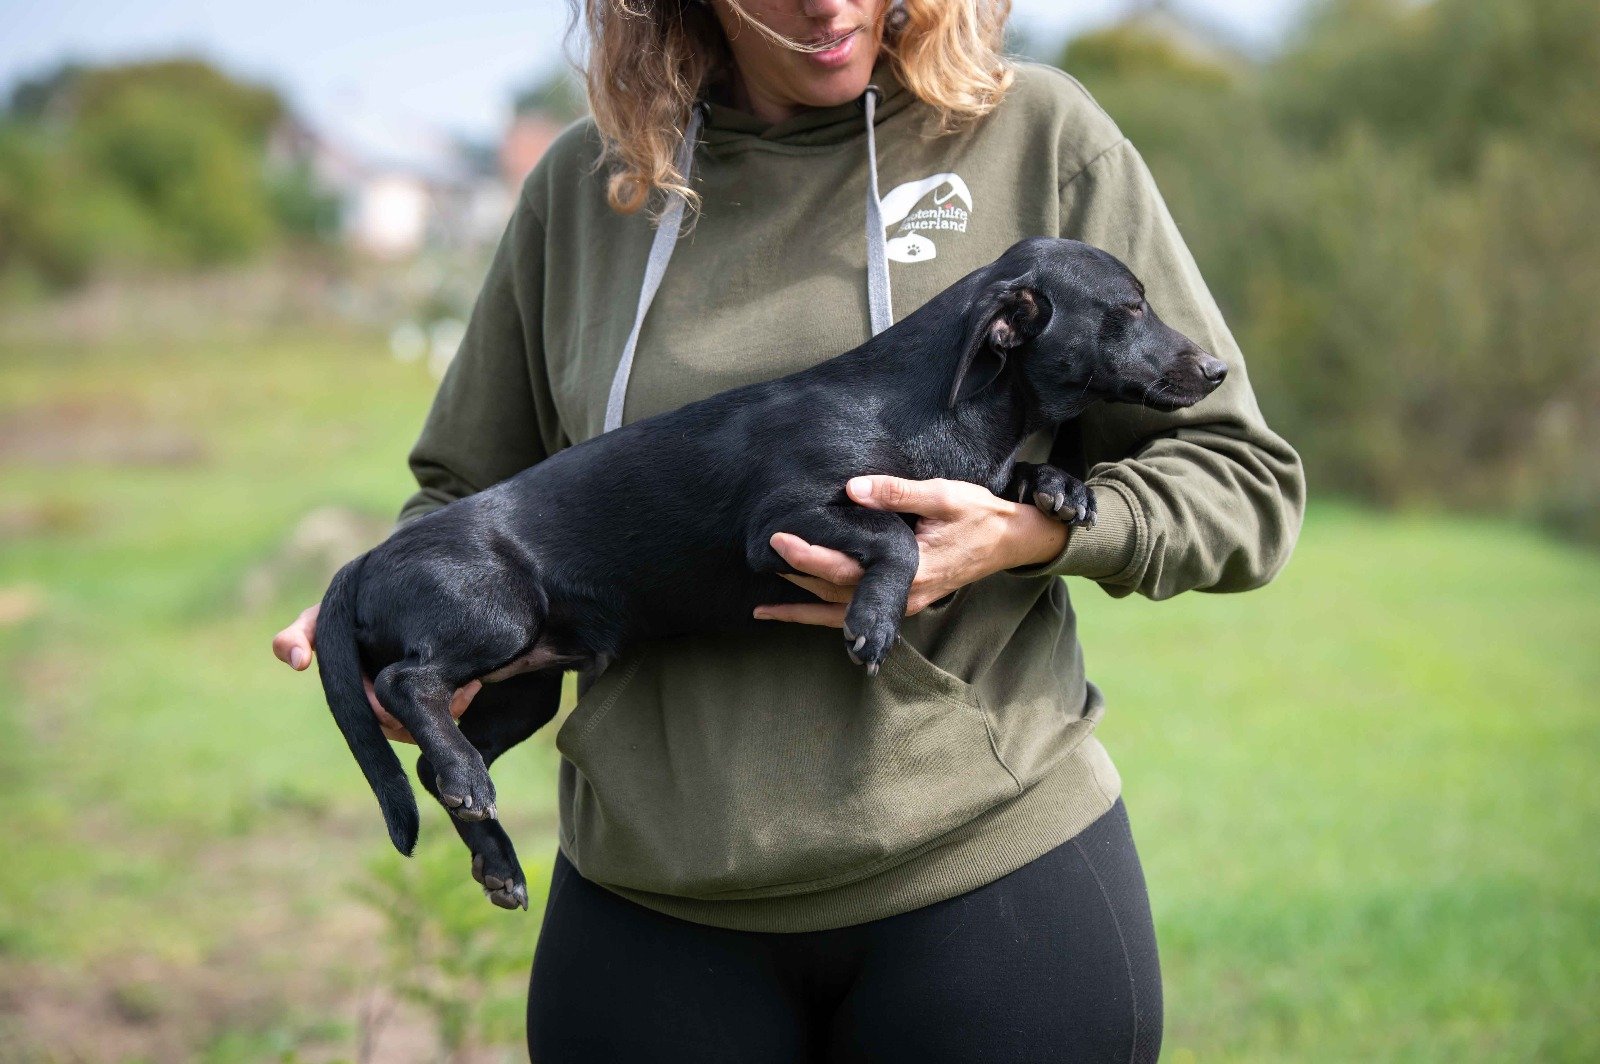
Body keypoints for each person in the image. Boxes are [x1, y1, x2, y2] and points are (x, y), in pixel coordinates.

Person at [274, 0, 1304, 1058]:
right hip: (652, 909)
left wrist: (1023, 536)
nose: (827, 3)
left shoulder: (1037, 133)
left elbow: (1242, 480)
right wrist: (402, 622)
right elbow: (466, 489)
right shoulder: (585, 185)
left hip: (989, 886)